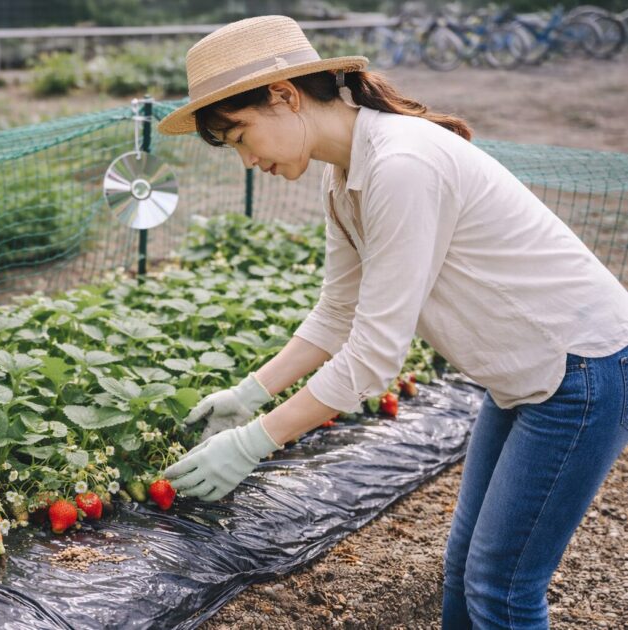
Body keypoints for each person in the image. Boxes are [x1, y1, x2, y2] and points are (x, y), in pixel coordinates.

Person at [157, 14, 628, 630]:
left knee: (503, 587)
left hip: (580, 372)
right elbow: (337, 312)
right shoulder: (344, 176)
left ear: (284, 95)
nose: (247, 160)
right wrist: (250, 394)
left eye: (241, 135)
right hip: (526, 374)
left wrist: (255, 442)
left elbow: (375, 357)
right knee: (467, 568)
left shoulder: (403, 164)